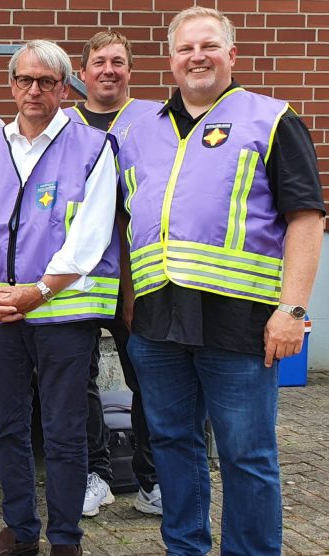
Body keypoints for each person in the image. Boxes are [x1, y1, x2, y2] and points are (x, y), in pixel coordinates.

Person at [117, 8, 324, 555]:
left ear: (232, 55)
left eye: (209, 46)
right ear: (171, 59)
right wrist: (132, 301)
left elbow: (307, 217)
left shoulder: (271, 119)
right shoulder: (142, 132)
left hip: (242, 321)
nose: (197, 57)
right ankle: (185, 548)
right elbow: (129, 222)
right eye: (186, 49)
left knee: (246, 454)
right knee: (172, 444)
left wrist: (295, 311)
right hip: (159, 323)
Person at [0, 39, 119, 556]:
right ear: (10, 85)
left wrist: (40, 291)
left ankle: (66, 538)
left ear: (64, 87)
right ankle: (22, 531)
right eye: (24, 80)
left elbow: (91, 234)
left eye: (46, 82)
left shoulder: (92, 146)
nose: (33, 91)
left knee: (65, 433)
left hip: (63, 316)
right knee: (5, 427)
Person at [62, 31, 162, 517]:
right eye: (98, 61)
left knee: (149, 377)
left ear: (130, 70)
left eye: (118, 62)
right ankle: (93, 474)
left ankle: (152, 480)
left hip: (137, 273)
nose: (108, 70)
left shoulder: (156, 119)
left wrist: (130, 283)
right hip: (75, 277)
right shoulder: (61, 123)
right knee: (77, 382)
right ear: (81, 74)